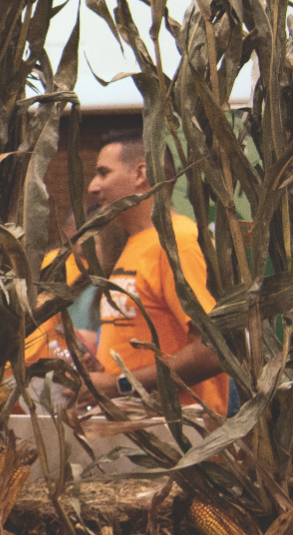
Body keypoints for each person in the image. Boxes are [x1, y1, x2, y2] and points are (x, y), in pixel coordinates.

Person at [80, 130, 227, 415]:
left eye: (103, 173)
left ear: (141, 174)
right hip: (142, 434)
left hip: (181, 436)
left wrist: (119, 384)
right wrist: (102, 370)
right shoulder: (135, 243)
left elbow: (213, 350)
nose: (92, 187)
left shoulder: (178, 241)